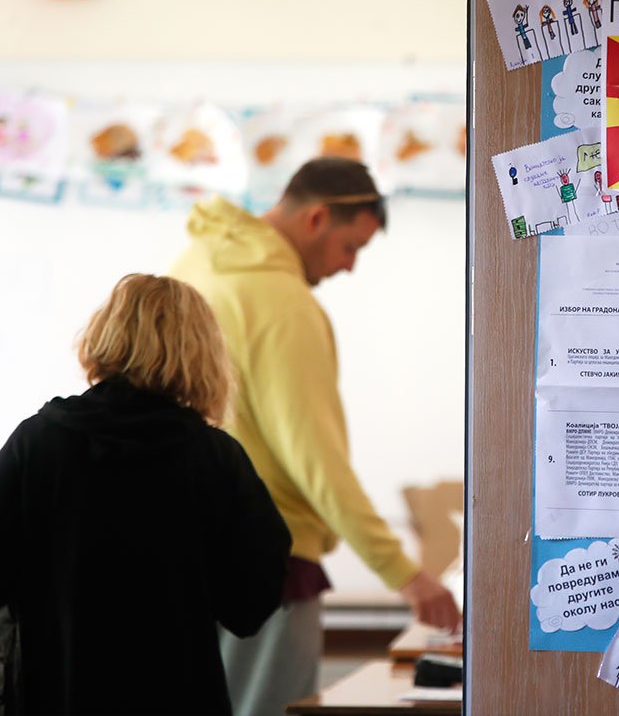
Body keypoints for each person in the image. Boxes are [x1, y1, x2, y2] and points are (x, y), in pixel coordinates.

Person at [0, 273, 291, 716]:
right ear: (202, 353)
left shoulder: (37, 443)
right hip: (178, 696)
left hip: (54, 692)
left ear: (104, 336)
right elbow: (251, 603)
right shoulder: (215, 459)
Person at [169, 157, 460, 716]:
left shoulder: (192, 265)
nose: (349, 267)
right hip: (267, 564)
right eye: (351, 247)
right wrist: (404, 575)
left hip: (182, 553)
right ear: (317, 218)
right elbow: (315, 459)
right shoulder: (284, 304)